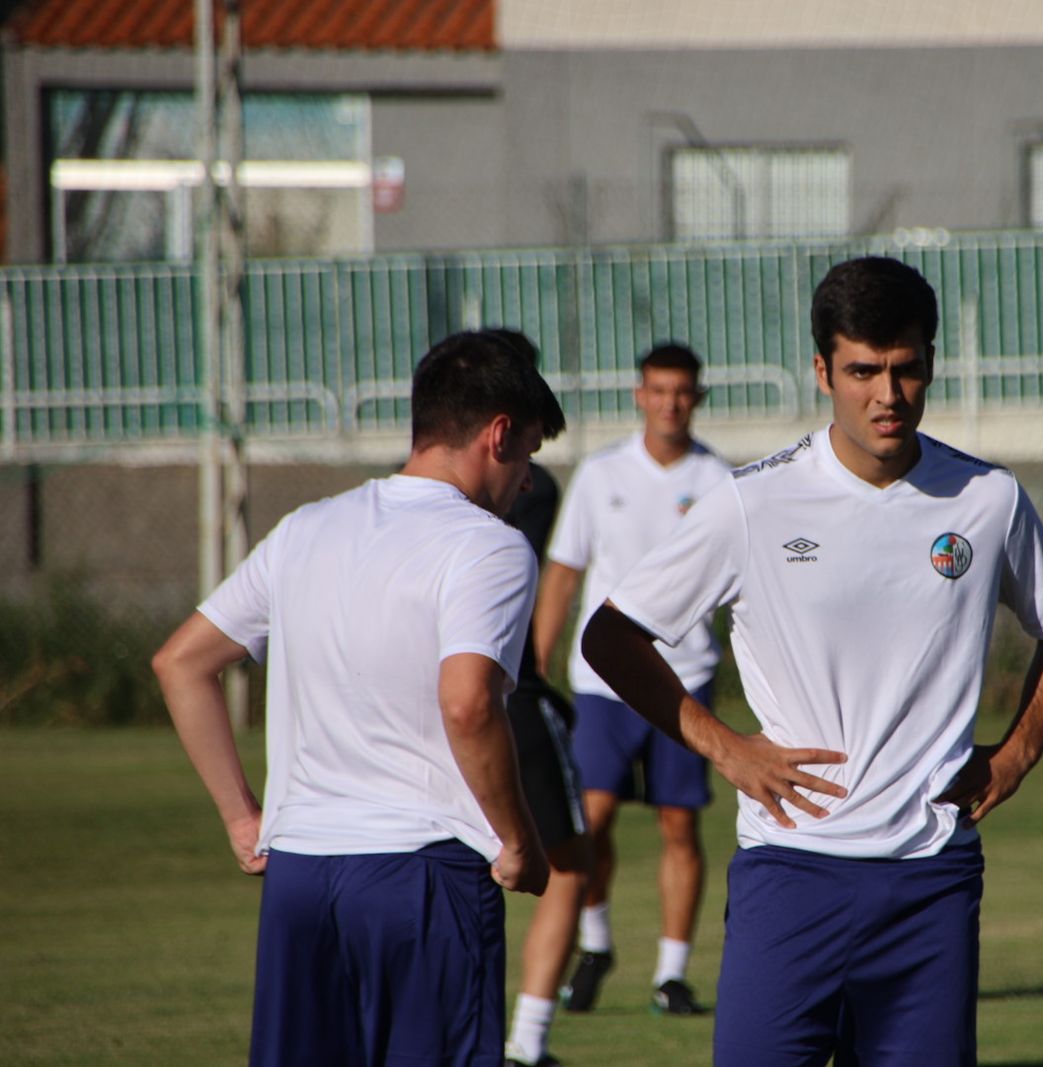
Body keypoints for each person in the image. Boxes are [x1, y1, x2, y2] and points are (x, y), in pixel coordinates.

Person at [581, 257, 1043, 1066]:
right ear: (822, 370)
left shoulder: (987, 498)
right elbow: (610, 636)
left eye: (906, 369)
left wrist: (1019, 752)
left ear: (930, 364)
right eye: (863, 371)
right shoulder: (753, 502)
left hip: (931, 879)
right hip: (790, 876)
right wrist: (727, 746)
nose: (887, 394)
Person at [152, 329, 566, 1066]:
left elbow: (181, 663)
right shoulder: (489, 545)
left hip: (302, 877)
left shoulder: (303, 528)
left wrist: (241, 816)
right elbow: (468, 702)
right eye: (530, 452)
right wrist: (518, 841)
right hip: (424, 874)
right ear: (499, 433)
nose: (528, 480)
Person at [532, 342, 730, 1017]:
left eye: (683, 390)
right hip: (602, 680)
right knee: (592, 817)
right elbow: (564, 569)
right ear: (639, 394)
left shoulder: (718, 480)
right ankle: (595, 943)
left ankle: (671, 973)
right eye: (659, 389)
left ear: (697, 397)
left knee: (679, 822)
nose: (671, 402)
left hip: (685, 676)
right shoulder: (600, 472)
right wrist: (538, 657)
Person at [501, 459, 590, 1067]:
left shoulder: (372, 505)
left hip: (405, 704)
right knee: (569, 865)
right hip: (511, 702)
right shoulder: (529, 486)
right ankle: (526, 1043)